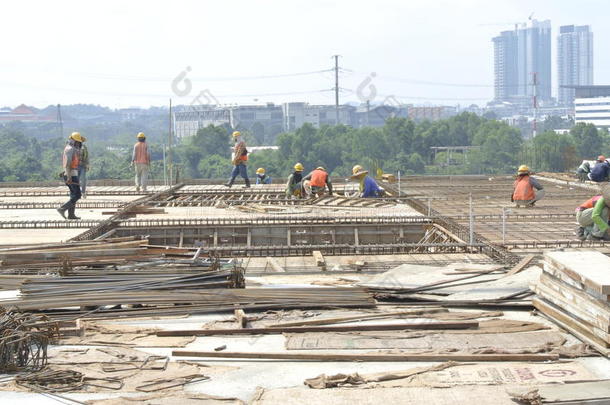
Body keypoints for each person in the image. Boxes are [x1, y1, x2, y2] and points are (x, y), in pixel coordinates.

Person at [57, 132, 83, 220]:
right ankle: (62, 208)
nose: (79, 144)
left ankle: (71, 215)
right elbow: (67, 164)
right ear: (73, 141)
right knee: (77, 195)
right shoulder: (70, 149)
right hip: (71, 175)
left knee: (73, 195)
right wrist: (68, 177)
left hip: (72, 173)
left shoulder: (71, 149)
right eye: (78, 142)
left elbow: (69, 163)